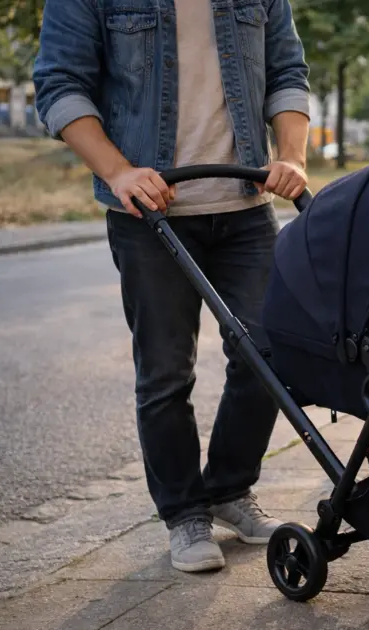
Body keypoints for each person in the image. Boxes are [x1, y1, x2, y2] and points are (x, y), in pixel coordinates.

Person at [33, 0, 311, 573]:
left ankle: (229, 489)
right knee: (165, 372)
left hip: (245, 203)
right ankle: (184, 513)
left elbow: (286, 71)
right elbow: (60, 85)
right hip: (147, 215)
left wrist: (292, 157)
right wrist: (118, 171)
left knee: (271, 353)